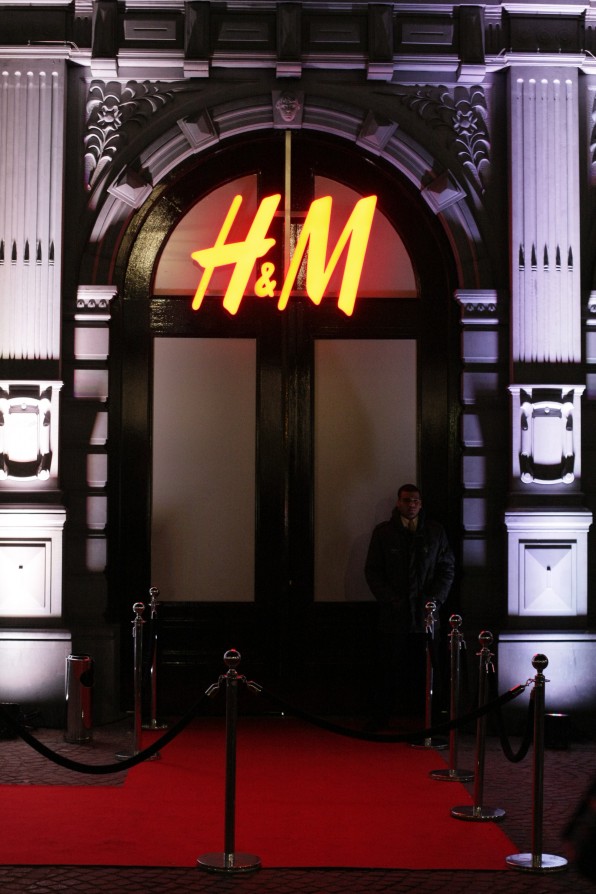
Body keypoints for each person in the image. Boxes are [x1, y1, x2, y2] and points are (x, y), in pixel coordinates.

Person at [364, 483, 455, 728]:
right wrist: (391, 599)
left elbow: (447, 568)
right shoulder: (384, 533)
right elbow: (373, 571)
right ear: (398, 503)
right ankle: (381, 718)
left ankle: (432, 720)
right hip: (394, 615)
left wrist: (434, 600)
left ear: (421, 504)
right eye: (406, 500)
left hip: (427, 615)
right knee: (388, 668)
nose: (411, 505)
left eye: (415, 500)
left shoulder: (435, 532)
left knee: (430, 668)